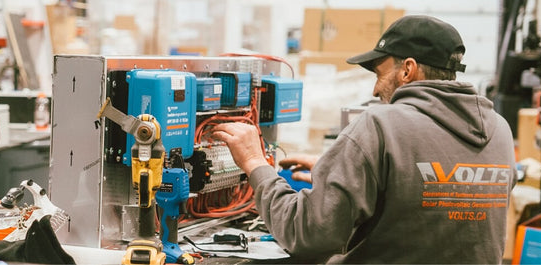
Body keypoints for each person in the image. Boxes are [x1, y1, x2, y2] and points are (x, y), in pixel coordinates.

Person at [211, 15, 516, 264]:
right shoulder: (499, 130)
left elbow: (305, 234)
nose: (374, 90)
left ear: (407, 69)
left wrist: (255, 164)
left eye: (379, 73)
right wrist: (349, 169)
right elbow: (442, 196)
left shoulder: (380, 124)